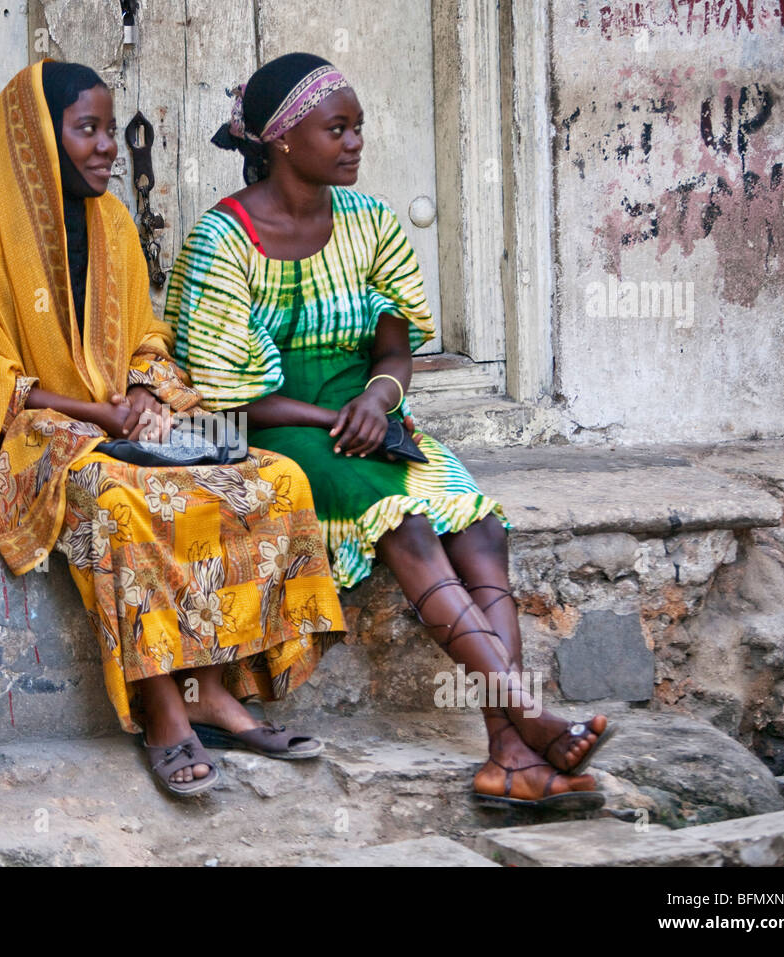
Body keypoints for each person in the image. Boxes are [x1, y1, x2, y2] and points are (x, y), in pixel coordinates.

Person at [166, 52, 614, 808]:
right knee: (403, 520)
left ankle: (507, 750)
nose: (354, 142)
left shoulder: (372, 223)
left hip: (371, 416)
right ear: (279, 140)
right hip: (280, 426)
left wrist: (377, 400)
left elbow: (396, 350)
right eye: (336, 128)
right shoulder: (223, 239)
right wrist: (339, 419)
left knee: (479, 527)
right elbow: (222, 394)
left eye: (358, 127)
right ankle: (528, 714)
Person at [0, 60, 346, 797]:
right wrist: (96, 412)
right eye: (85, 129)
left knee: (269, 478)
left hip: (121, 424)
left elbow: (146, 338)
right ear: (34, 138)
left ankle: (211, 691)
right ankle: (161, 709)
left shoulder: (114, 220)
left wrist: (150, 392)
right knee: (120, 502)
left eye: (109, 130)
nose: (105, 148)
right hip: (30, 437)